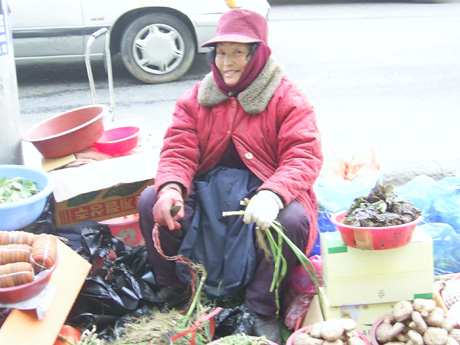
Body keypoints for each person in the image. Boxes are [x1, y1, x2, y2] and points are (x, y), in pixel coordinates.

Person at [137, 8, 323, 344]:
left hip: (263, 189)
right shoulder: (196, 98)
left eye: (238, 52)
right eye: (221, 53)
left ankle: (260, 307)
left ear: (258, 55)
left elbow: (303, 156)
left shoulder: (288, 99)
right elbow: (179, 151)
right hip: (208, 190)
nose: (227, 63)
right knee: (152, 200)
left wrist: (274, 194)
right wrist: (172, 189)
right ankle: (174, 287)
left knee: (292, 220)